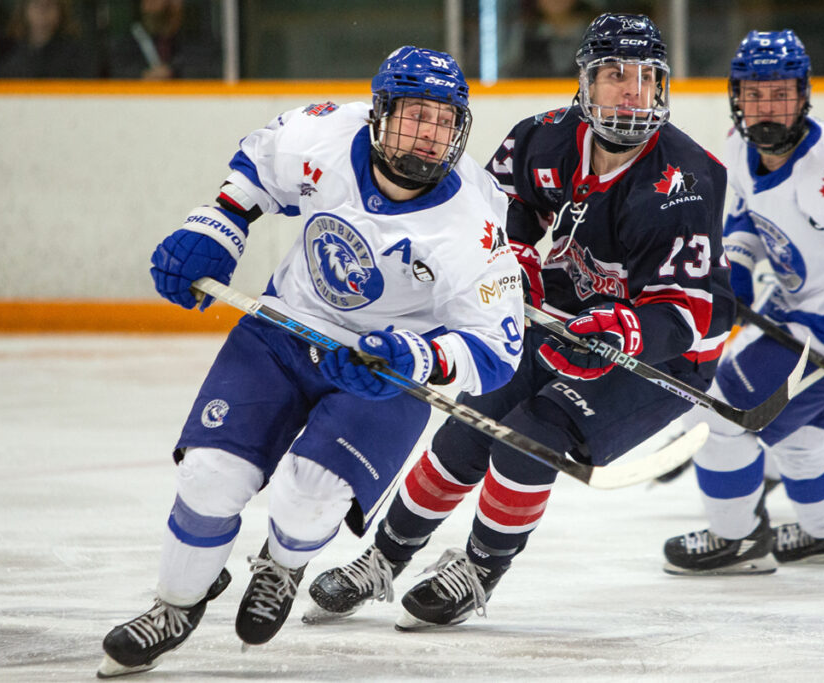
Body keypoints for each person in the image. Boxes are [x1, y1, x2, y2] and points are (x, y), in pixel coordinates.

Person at [97, 46, 521, 677]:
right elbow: (257, 167)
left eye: (443, 120)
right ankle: (177, 604)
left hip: (381, 372)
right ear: (379, 115)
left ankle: (282, 563)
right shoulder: (326, 132)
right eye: (413, 116)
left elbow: (496, 349)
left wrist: (415, 357)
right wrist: (218, 226)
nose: (429, 134)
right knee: (210, 476)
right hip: (283, 329)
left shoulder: (473, 222)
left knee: (310, 496)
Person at [305, 13, 733, 630]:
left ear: (662, 86)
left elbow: (684, 309)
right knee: (470, 424)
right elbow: (498, 218)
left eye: (645, 77)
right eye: (614, 75)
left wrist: (621, 331)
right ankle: (384, 558)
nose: (631, 91)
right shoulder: (541, 139)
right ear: (585, 82)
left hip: (662, 357)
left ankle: (480, 569)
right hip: (557, 321)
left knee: (536, 430)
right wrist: (516, 263)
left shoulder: (685, 179)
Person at [661, 30, 824, 575]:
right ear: (736, 97)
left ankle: (736, 539)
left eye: (779, 94)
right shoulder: (739, 148)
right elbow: (744, 218)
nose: (766, 107)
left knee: (719, 416)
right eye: (754, 94)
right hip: (793, 317)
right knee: (805, 439)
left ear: (804, 95)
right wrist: (731, 270)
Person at [106, 0, 219, 79]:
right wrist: (142, 76)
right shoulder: (126, 43)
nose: (149, 4)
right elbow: (113, 72)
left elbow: (209, 68)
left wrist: (173, 71)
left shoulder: (196, 41)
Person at [0, 0, 97, 78]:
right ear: (25, 10)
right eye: (37, 4)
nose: (42, 13)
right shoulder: (9, 58)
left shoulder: (76, 57)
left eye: (49, 5)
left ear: (61, 10)